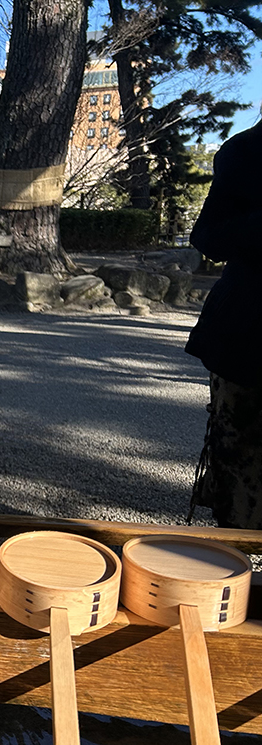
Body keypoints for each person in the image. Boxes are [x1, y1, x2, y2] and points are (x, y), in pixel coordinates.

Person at [185, 108, 262, 528]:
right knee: (238, 461)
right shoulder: (247, 150)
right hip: (248, 330)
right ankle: (233, 571)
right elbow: (208, 235)